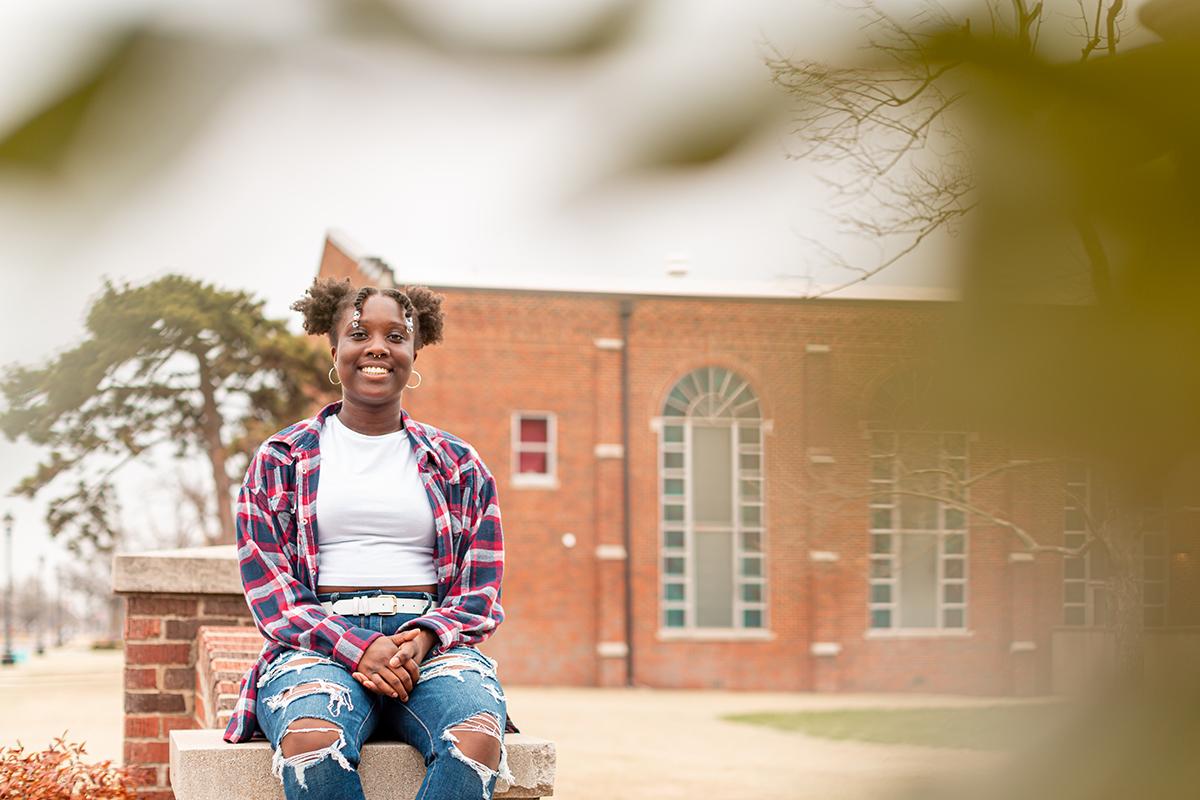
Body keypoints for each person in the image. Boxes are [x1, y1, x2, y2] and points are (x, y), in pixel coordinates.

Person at [222, 277, 513, 800]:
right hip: (317, 642)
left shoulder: (459, 464)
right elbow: (272, 594)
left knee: (475, 740)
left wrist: (422, 638)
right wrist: (356, 646)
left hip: (428, 645)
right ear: (336, 351)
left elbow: (480, 590)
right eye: (360, 333)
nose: (378, 346)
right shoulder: (280, 459)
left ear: (413, 354)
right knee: (313, 740)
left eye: (396, 336)